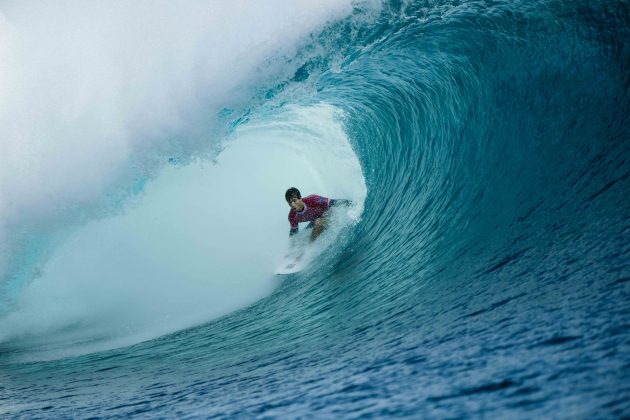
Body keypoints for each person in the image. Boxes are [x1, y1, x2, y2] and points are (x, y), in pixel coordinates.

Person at [285, 187, 353, 242]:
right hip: (314, 221)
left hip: (330, 215)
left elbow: (334, 202)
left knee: (318, 222)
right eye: (290, 202)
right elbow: (293, 234)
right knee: (304, 234)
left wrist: (352, 204)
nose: (292, 204)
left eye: (294, 200)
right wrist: (292, 248)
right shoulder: (292, 217)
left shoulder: (313, 199)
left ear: (300, 198)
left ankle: (309, 247)